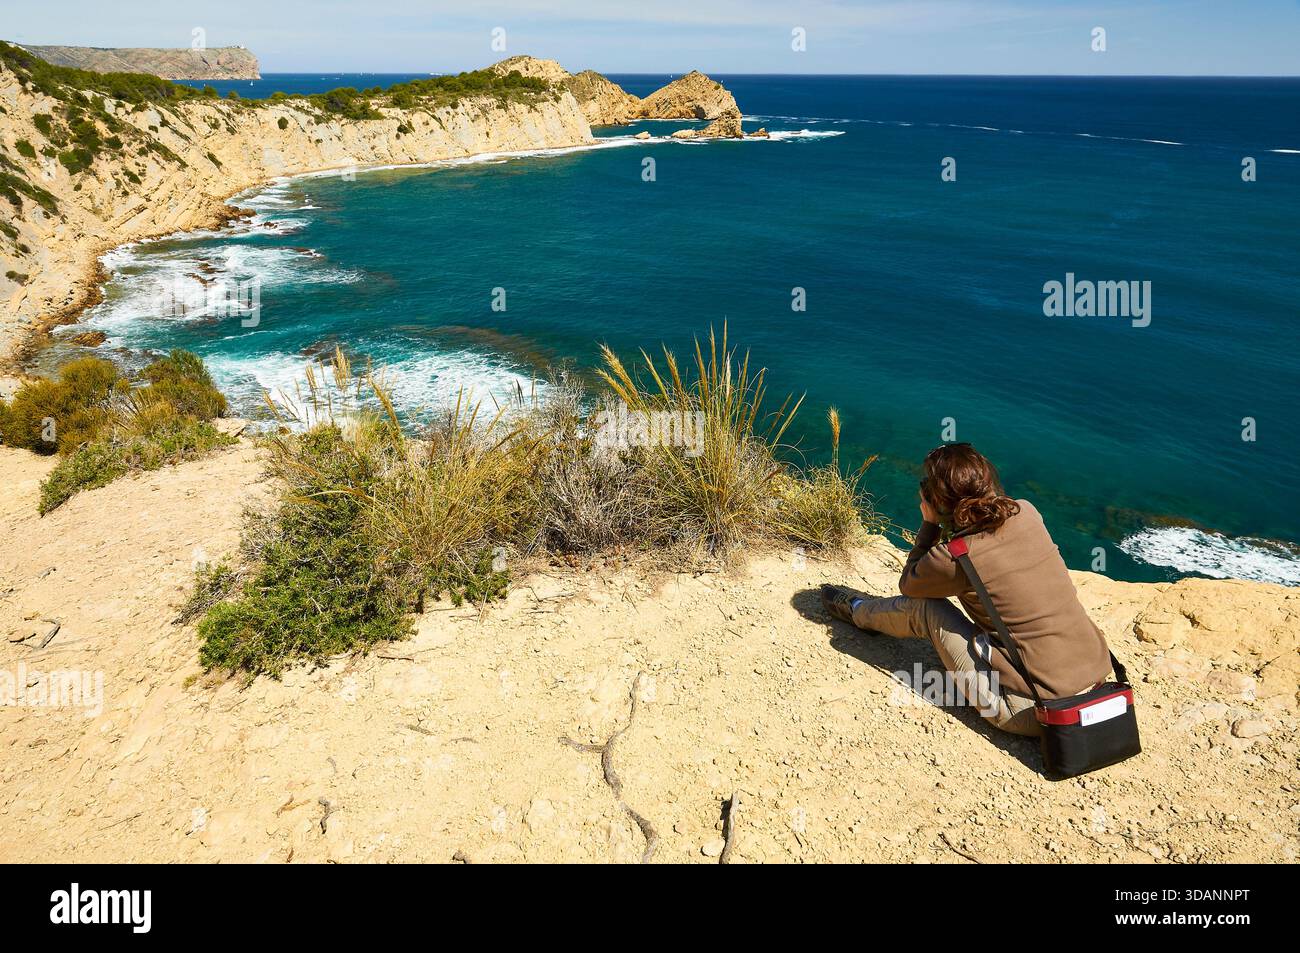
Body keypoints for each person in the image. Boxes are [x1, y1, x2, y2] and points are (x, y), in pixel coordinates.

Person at [822, 442, 1112, 736]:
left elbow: (909, 584)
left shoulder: (954, 556)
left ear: (937, 501)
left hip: (1033, 712)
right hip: (1102, 688)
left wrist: (930, 525)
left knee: (926, 608)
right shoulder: (1027, 512)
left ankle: (857, 611)